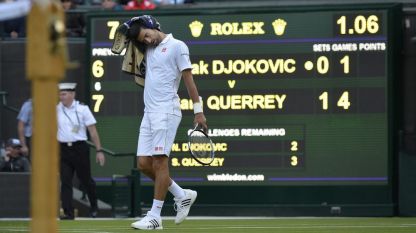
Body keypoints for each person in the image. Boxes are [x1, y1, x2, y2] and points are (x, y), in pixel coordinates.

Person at [123, 15, 207, 230]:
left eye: (148, 35)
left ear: (153, 27)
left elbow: (189, 81)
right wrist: (129, 30)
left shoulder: (178, 46)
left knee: (160, 162)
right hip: (149, 113)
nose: (148, 41)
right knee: (143, 164)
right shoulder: (146, 49)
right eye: (144, 39)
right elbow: (123, 38)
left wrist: (199, 112)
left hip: (167, 111)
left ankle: (155, 217)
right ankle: (181, 195)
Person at [57, 82, 106, 220]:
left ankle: (94, 206)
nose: (61, 97)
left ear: (72, 94)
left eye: (64, 94)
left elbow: (93, 130)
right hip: (63, 149)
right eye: (60, 94)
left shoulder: (82, 109)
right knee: (65, 181)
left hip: (79, 148)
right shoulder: (56, 110)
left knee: (85, 180)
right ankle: (68, 212)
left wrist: (99, 150)